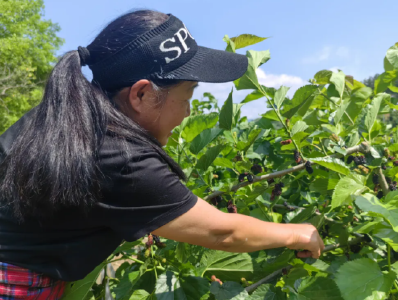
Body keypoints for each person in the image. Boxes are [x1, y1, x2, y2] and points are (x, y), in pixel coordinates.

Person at [0, 9, 324, 299]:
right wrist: (298, 233)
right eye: (187, 95)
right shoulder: (122, 157)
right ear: (141, 94)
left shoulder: (66, 118)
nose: (188, 111)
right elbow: (223, 232)